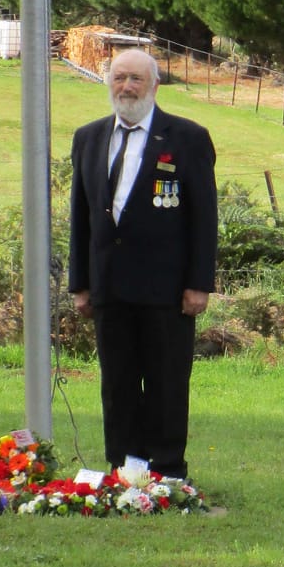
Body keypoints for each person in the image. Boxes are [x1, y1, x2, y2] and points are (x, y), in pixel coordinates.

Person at [69, 48, 218, 480]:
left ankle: (168, 471)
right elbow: (81, 216)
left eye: (136, 79)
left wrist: (199, 283)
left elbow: (203, 218)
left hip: (167, 290)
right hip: (110, 288)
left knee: (166, 383)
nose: (126, 87)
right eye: (119, 78)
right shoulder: (89, 138)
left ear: (154, 86)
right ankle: (125, 469)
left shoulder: (187, 138)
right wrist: (80, 283)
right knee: (117, 384)